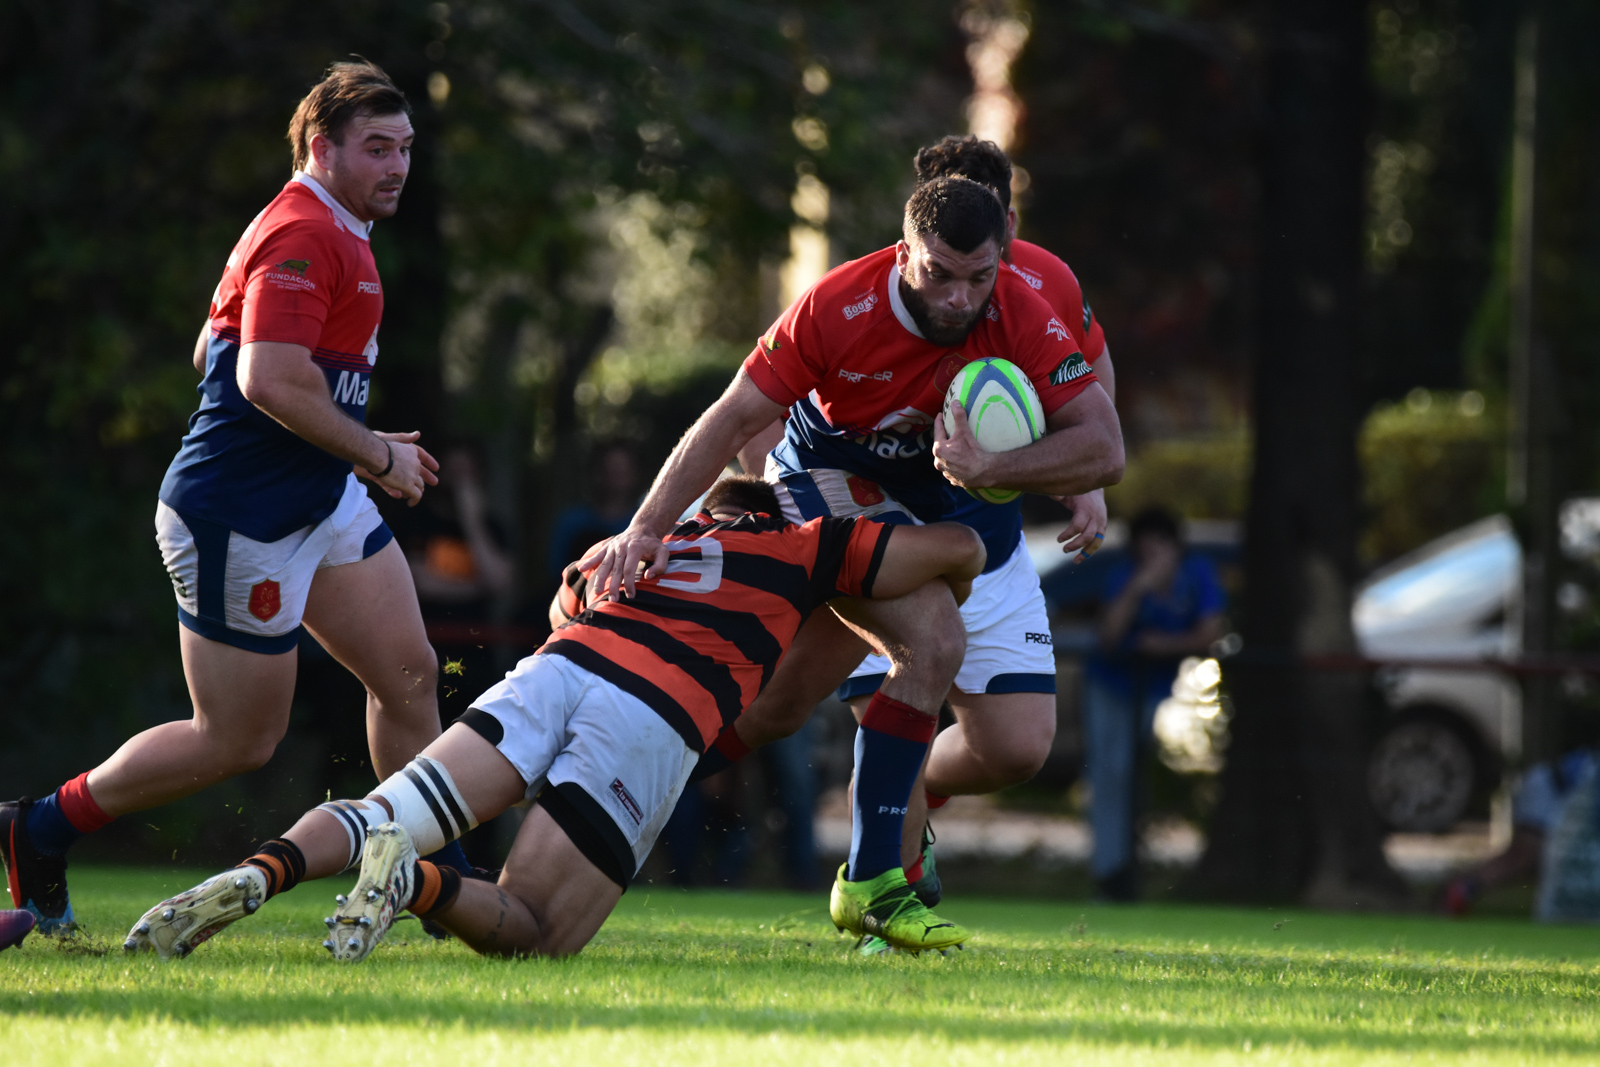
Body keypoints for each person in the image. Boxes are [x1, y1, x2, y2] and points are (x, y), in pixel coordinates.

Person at [124, 477, 987, 959]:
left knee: (389, 806)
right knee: (535, 929)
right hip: (649, 714)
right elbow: (961, 551)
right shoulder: (798, 546)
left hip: (554, 670)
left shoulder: (633, 547)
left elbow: (559, 606)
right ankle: (413, 880)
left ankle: (264, 870)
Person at [0, 61, 468, 933]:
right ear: (320, 149)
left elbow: (215, 354)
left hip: (318, 499)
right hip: (238, 518)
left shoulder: (337, 224)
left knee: (408, 676)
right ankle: (41, 826)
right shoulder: (303, 229)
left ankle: (441, 880)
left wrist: (356, 439)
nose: (397, 165)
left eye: (404, 147)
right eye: (376, 148)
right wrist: (372, 453)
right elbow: (263, 377)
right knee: (237, 739)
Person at [600, 176, 1122, 928]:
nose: (957, 298)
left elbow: (1105, 445)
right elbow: (734, 414)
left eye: (979, 277)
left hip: (951, 520)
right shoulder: (838, 305)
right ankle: (874, 883)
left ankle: (598, 780)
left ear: (1002, 256)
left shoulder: (1018, 305)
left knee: (783, 705)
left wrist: (996, 469)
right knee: (932, 637)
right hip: (831, 483)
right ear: (903, 250)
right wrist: (645, 526)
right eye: (938, 273)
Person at [1085, 506, 1225, 901]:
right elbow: (1109, 636)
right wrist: (1139, 587)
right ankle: (1109, 872)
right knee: (1109, 778)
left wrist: (1162, 646)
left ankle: (1133, 867)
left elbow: (1209, 633)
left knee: (1138, 779)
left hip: (1157, 692)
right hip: (1111, 686)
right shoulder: (1125, 576)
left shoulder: (1196, 574)